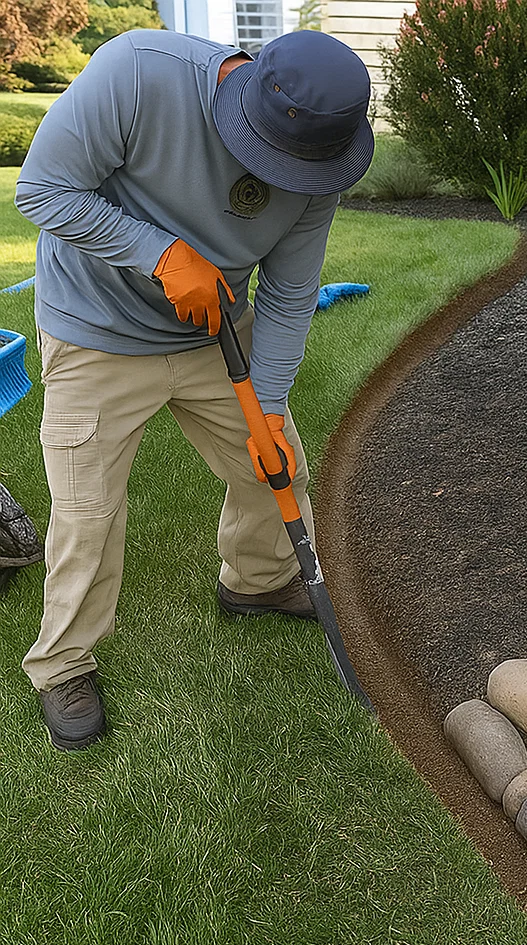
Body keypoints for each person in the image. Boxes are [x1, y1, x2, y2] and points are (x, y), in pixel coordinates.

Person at [15, 28, 374, 751]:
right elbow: (43, 190)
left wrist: (268, 406)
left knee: (275, 463)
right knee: (87, 512)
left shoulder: (319, 167)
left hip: (213, 332)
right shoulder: (140, 75)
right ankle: (62, 664)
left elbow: (290, 292)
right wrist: (161, 255)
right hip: (95, 329)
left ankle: (257, 579)